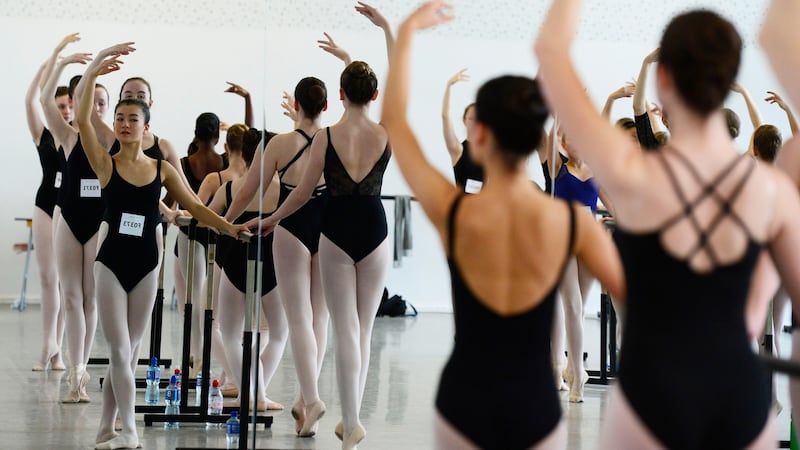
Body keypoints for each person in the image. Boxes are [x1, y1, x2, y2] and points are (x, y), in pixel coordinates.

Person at [536, 3, 800, 448]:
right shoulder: (771, 189)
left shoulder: (630, 172)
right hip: (734, 395)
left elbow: (549, 50)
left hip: (650, 395)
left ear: (664, 80)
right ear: (731, 78)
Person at [381, 3, 624, 449]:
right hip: (534, 407)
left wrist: (407, 31)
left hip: (463, 402)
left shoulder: (454, 210)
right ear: (538, 140)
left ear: (479, 135)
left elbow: (394, 122)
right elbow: (641, 305)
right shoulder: (572, 223)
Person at [75, 45, 247, 450]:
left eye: (132, 118)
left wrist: (228, 227)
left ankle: (104, 427)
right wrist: (97, 63)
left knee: (131, 351)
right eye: (119, 118)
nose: (124, 124)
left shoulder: (162, 168)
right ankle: (129, 430)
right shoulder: (105, 164)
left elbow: (195, 206)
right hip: (110, 264)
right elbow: (83, 119)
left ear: (146, 124)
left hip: (147, 265)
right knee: (118, 348)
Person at [225, 77, 331, 436]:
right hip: (327, 230)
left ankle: (312, 399)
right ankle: (304, 402)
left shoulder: (278, 146)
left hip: (291, 227)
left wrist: (223, 222)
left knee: (299, 319)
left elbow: (245, 193)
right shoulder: (332, 139)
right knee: (320, 319)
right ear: (327, 107)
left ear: (297, 106)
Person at [40, 39, 107, 403]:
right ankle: (75, 373)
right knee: (71, 297)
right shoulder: (66, 135)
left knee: (90, 299)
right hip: (68, 219)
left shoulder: (111, 140)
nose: (92, 108)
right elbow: (43, 99)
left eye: (99, 102)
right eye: (87, 100)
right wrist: (63, 61)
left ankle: (81, 369)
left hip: (99, 223)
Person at [208, 127, 288, 413]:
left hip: (236, 256)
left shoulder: (232, 187)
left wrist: (224, 225)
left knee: (229, 331)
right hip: (273, 259)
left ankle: (250, 392)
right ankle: (257, 393)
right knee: (279, 332)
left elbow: (212, 219)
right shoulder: (285, 190)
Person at [25, 34, 77, 372]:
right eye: (59, 108)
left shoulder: (78, 138)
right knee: (47, 278)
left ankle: (58, 350)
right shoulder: (44, 135)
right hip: (46, 204)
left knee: (64, 282)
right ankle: (49, 344)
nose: (65, 112)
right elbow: (30, 99)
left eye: (68, 107)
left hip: (70, 209)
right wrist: (53, 60)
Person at [442, 68, 484, 192]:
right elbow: (445, 117)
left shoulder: (487, 152)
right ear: (464, 120)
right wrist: (449, 85)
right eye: (472, 118)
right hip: (465, 208)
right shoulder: (458, 150)